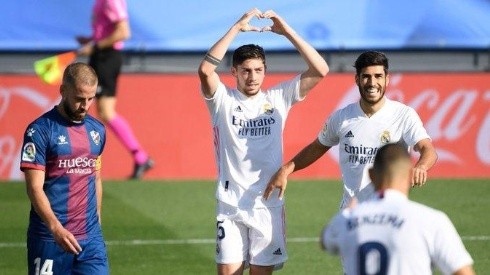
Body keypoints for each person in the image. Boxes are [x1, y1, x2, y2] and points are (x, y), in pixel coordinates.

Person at [198, 8, 329, 275]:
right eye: (246, 70)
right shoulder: (223, 101)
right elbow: (205, 70)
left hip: (267, 205)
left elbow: (320, 69)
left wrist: (288, 32)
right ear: (234, 71)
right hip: (230, 205)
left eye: (258, 70)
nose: (253, 76)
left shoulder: (278, 97)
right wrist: (236, 27)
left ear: (265, 70)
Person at [264, 50, 438, 208]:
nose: (372, 83)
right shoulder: (342, 117)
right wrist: (286, 169)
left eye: (378, 76)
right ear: (357, 79)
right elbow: (317, 147)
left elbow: (427, 149)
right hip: (352, 213)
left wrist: (421, 166)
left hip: (390, 212)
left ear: (387, 79)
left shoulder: (404, 115)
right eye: (366, 76)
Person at [321, 143, 475, 275]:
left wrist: (348, 213)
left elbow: (325, 240)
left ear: (371, 175)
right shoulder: (431, 220)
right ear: (410, 175)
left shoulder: (347, 219)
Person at [20, 63, 109, 274]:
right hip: (50, 238)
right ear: (63, 91)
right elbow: (34, 188)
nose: (85, 105)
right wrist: (55, 228)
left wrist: (97, 221)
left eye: (90, 98)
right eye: (79, 98)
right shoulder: (39, 131)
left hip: (90, 240)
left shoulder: (97, 131)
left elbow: (95, 177)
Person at [77, 0, 153, 179]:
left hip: (106, 58)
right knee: (102, 112)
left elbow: (123, 32)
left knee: (106, 112)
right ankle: (140, 157)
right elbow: (107, 30)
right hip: (100, 56)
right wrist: (91, 40)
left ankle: (140, 156)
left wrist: (95, 46)